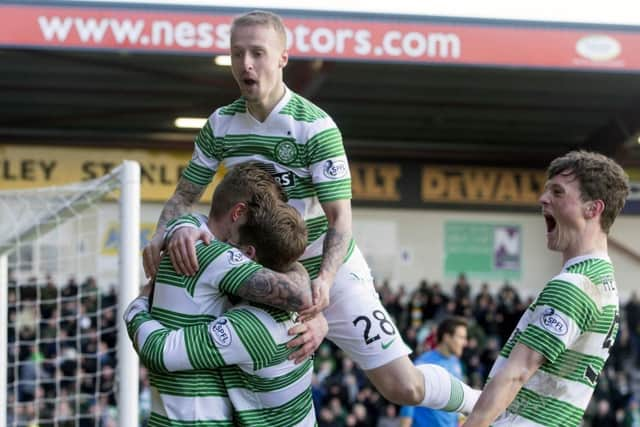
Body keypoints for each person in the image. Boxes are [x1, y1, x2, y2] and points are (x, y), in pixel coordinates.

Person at [142, 9, 480, 413]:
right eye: (237, 54)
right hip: (260, 271)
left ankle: (489, 407)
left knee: (402, 386)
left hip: (323, 268)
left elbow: (341, 220)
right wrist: (163, 232)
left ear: (283, 57)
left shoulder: (314, 127)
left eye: (257, 53)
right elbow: (184, 197)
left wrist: (323, 286)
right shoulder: (220, 125)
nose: (245, 64)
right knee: (228, 382)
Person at [128, 163, 327, 425]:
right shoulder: (216, 255)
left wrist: (136, 306)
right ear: (239, 212)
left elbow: (159, 350)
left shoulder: (249, 324)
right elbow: (299, 294)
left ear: (249, 254)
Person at [463, 150, 631, 427]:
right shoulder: (604, 281)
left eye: (557, 192)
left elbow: (518, 372)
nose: (543, 199)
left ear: (593, 209)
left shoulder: (574, 285)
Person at [399, 317, 470, 427]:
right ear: (447, 337)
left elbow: (459, 402)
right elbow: (408, 403)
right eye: (461, 337)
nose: (465, 343)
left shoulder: (456, 363)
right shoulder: (424, 364)